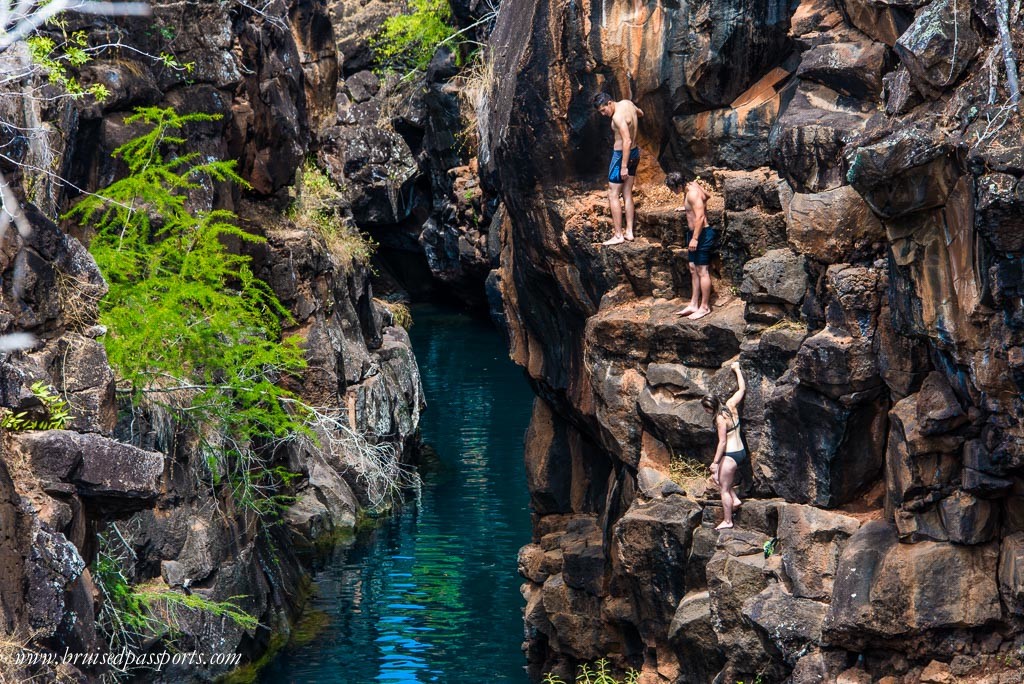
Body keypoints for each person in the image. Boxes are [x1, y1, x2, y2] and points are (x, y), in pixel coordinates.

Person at [593, 92, 643, 246]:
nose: (603, 114)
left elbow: (626, 140)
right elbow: (641, 113)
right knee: (627, 192)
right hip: (635, 153)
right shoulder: (628, 103)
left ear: (609, 103)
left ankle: (618, 235)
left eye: (603, 110)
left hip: (622, 155)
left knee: (613, 194)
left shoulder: (617, 117)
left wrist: (623, 166)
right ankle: (629, 231)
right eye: (600, 112)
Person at [704, 362, 746, 530]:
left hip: (731, 455)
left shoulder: (720, 419)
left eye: (706, 409)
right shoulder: (730, 405)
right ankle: (735, 500)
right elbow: (741, 390)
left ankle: (728, 521)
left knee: (724, 488)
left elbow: (722, 442)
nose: (706, 412)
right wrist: (737, 370)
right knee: (719, 479)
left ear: (710, 407)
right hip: (741, 451)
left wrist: (715, 463)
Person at [667, 172, 714, 320]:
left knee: (702, 270)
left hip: (702, 235)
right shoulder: (692, 186)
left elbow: (700, 217)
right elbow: (707, 196)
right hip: (695, 234)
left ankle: (705, 307)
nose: (672, 192)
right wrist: (689, 208)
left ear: (680, 185)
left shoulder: (692, 193)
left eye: (673, 188)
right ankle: (694, 303)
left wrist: (694, 239)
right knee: (693, 268)